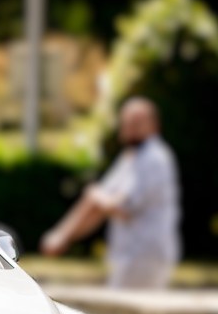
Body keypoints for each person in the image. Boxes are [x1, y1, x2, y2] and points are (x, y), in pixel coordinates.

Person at [40, 97, 181, 289]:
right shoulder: (131, 157)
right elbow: (98, 203)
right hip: (129, 256)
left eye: (137, 123)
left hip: (145, 256)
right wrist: (63, 236)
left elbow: (121, 207)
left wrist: (62, 236)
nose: (130, 128)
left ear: (154, 125)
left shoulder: (154, 158)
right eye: (127, 122)